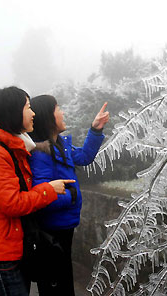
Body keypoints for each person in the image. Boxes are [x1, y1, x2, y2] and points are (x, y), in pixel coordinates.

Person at [0, 86, 75, 296]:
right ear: (13, 112)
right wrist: (49, 190)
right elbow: (12, 204)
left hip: (16, 247)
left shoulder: (15, 147)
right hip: (2, 253)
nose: (33, 113)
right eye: (28, 107)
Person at [28, 94, 109, 295]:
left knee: (63, 280)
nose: (62, 112)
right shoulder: (40, 154)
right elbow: (41, 197)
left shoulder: (60, 145)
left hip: (65, 225)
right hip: (51, 230)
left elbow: (84, 156)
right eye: (58, 108)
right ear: (48, 117)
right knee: (56, 283)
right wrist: (72, 196)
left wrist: (95, 129)